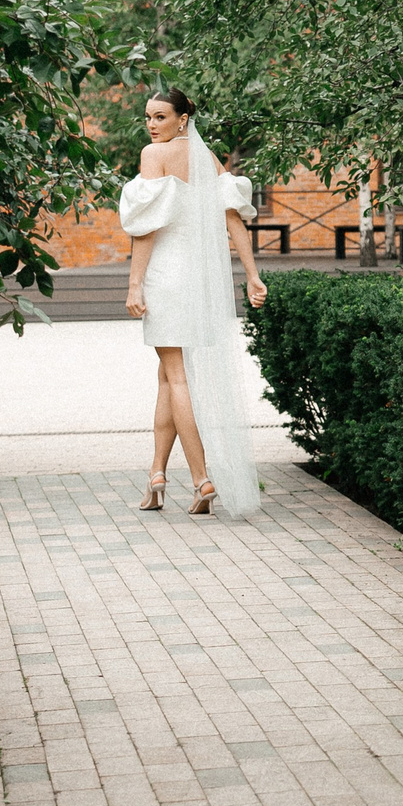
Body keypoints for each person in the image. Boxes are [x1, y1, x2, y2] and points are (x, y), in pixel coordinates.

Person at [120, 89, 266, 515]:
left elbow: (145, 228)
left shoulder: (154, 155)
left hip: (167, 278)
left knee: (177, 376)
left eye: (161, 117)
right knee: (167, 376)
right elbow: (233, 219)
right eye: (147, 117)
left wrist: (135, 285)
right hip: (200, 281)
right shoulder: (207, 159)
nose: (151, 125)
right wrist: (252, 275)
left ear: (183, 119)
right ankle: (157, 475)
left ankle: (202, 478)